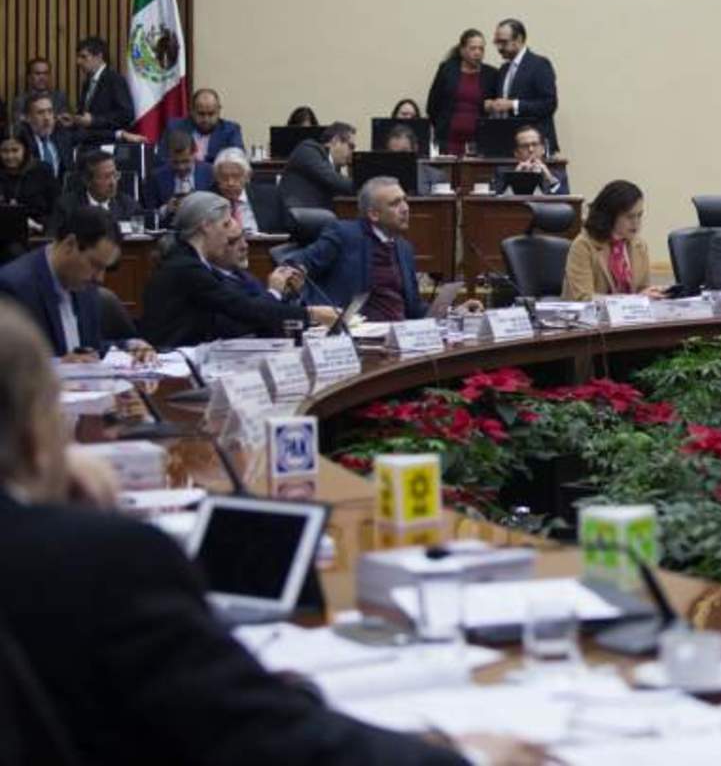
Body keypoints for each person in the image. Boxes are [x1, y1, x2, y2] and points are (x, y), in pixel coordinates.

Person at [0, 302, 546, 766]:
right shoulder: (106, 561)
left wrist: (47, 506)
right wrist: (461, 757)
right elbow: (263, 736)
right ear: (32, 432)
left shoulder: (71, 551)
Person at [140, 193, 334, 347]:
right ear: (206, 226)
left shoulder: (190, 261)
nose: (228, 236)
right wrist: (311, 314)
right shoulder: (187, 267)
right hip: (171, 359)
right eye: (225, 225)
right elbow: (243, 309)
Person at [0, 206, 153, 359]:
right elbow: (9, 364)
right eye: (95, 264)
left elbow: (87, 349)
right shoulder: (13, 288)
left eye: (104, 268)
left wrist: (128, 346)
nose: (100, 278)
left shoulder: (85, 287)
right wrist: (60, 365)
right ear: (70, 244)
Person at [284, 177, 427, 321]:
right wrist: (314, 311)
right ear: (374, 214)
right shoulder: (344, 235)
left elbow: (414, 307)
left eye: (404, 200)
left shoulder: (404, 248)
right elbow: (294, 266)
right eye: (395, 204)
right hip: (359, 328)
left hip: (400, 328)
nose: (405, 208)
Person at [563, 180, 665, 301]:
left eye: (639, 215)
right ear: (610, 216)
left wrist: (653, 294)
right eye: (630, 216)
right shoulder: (583, 246)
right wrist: (635, 299)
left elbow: (642, 290)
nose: (636, 223)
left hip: (630, 313)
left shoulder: (639, 245)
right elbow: (584, 298)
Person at [485, 18, 560, 153]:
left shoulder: (539, 65)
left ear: (519, 39)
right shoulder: (504, 69)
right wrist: (493, 105)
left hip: (535, 146)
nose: (499, 48)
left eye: (503, 42)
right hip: (509, 145)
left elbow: (549, 104)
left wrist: (513, 105)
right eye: (497, 42)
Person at [427, 29, 500, 156]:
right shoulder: (447, 69)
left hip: (478, 142)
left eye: (481, 49)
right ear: (462, 50)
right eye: (473, 48)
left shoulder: (491, 74)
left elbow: (494, 106)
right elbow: (433, 104)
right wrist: (441, 124)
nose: (477, 52)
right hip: (447, 139)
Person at [60, 35, 138, 145]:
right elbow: (86, 117)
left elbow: (126, 115)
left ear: (99, 56)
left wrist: (94, 120)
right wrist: (74, 120)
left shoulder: (114, 80)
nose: (78, 62)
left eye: (83, 57)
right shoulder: (88, 82)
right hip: (89, 143)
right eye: (78, 57)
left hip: (109, 144)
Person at [209, 147, 297, 236]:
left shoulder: (271, 196)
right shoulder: (209, 202)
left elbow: (292, 230)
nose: (230, 183)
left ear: (247, 176)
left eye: (236, 176)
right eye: (224, 177)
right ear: (216, 178)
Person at [49, 150, 139, 235]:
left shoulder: (128, 206)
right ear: (87, 180)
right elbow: (53, 239)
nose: (113, 183)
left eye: (115, 175)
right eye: (106, 177)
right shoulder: (66, 207)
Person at [0, 127, 58, 250]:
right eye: (4, 151)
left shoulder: (42, 170)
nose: (10, 156)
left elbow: (56, 208)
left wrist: (41, 226)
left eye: (15, 150)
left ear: (25, 149)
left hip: (39, 234)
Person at [279, 122, 356, 210]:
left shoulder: (335, 167)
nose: (352, 153)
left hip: (316, 211)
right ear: (335, 141)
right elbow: (332, 179)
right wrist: (364, 186)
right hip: (296, 210)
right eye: (351, 146)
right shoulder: (308, 149)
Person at [143, 128, 214, 224]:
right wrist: (166, 209)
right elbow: (147, 214)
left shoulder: (210, 173)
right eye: (175, 162)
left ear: (194, 153)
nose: (181, 167)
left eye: (186, 161)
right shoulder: (156, 177)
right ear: (168, 157)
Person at [162, 88, 245, 163]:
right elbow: (162, 161)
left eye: (211, 114)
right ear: (192, 111)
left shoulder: (231, 131)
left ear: (219, 110)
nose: (206, 119)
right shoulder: (175, 128)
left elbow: (237, 163)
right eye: (201, 114)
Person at [492, 124, 568, 195]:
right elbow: (497, 200)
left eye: (535, 144)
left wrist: (549, 178)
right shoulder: (502, 174)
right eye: (524, 146)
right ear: (516, 152)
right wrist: (516, 177)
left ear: (543, 149)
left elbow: (565, 201)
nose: (531, 149)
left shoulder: (558, 175)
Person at [19, 92, 75, 182]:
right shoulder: (22, 141)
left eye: (50, 111)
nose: (47, 118)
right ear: (28, 118)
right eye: (40, 113)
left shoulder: (63, 137)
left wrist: (74, 122)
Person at [384, 123, 447, 195]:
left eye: (403, 152)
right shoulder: (380, 178)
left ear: (415, 149)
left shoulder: (435, 177)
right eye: (393, 153)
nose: (398, 157)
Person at [9, 56, 71, 128]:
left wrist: (31, 120)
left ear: (50, 76)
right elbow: (18, 126)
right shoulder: (20, 100)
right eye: (37, 73)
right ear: (29, 77)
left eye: (45, 73)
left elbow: (66, 122)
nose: (42, 77)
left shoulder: (60, 97)